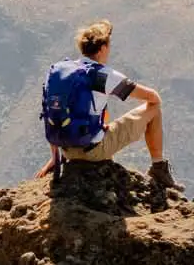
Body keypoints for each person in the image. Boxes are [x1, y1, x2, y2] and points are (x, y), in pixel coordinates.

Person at [36, 19, 177, 208]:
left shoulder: (61, 71)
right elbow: (153, 97)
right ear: (102, 48)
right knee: (154, 108)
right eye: (108, 46)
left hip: (66, 151)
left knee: (100, 108)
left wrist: (55, 158)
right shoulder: (102, 75)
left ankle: (76, 152)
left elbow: (51, 114)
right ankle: (158, 167)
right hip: (92, 152)